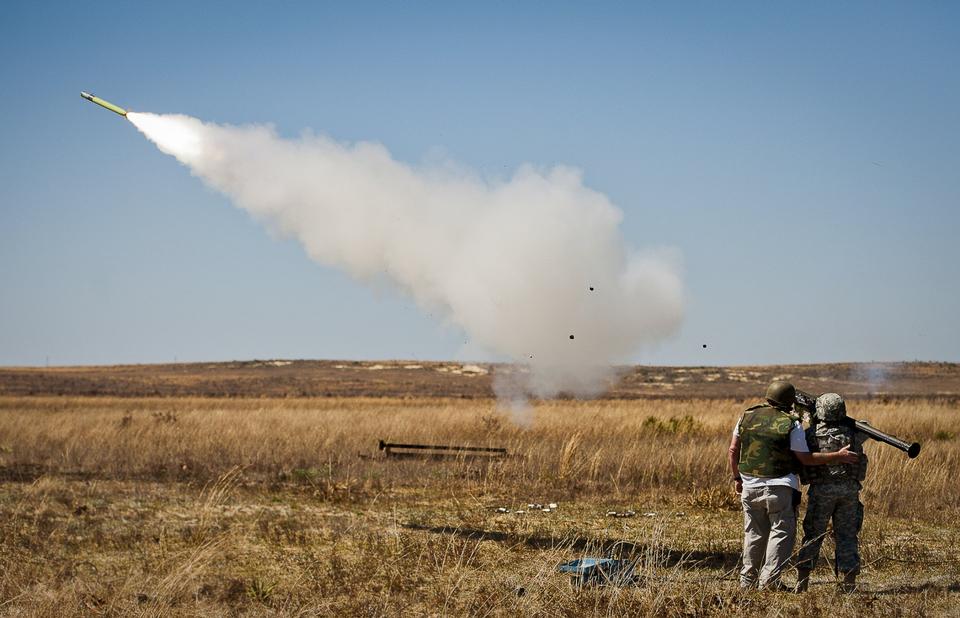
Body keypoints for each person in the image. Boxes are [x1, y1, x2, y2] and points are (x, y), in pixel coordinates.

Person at [728, 381, 859, 590]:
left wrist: (737, 479)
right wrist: (838, 455)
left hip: (750, 486)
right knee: (781, 534)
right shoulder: (792, 423)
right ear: (790, 401)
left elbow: (733, 450)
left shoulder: (746, 416)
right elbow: (805, 459)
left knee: (754, 534)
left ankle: (747, 581)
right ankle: (770, 581)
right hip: (779, 487)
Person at [795, 393, 869, 593]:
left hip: (821, 491)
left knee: (813, 535)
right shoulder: (855, 433)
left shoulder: (810, 434)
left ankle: (802, 584)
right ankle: (848, 585)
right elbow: (866, 426)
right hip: (849, 492)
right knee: (847, 536)